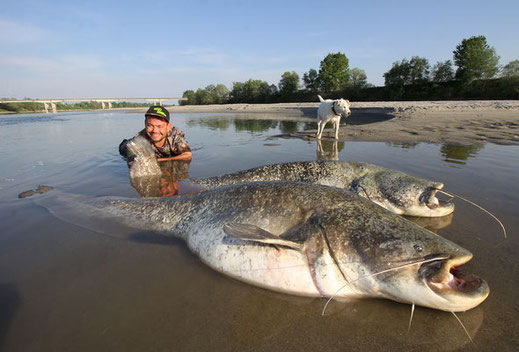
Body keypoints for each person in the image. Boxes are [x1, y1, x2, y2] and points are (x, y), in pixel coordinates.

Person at [119, 105, 192, 163]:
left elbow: (187, 155)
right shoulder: (139, 140)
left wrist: (158, 161)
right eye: (150, 125)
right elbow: (132, 163)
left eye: (159, 126)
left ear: (168, 127)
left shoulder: (175, 134)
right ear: (145, 124)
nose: (155, 130)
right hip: (125, 146)